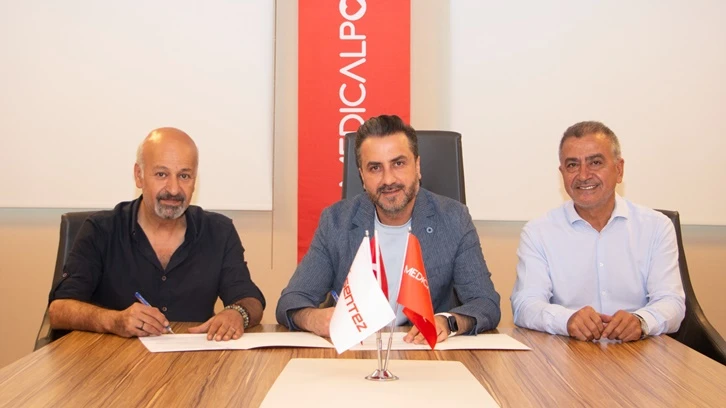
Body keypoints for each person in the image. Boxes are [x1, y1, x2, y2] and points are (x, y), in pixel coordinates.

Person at [276, 115, 500, 343]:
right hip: (356, 353)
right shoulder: (336, 222)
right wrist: (313, 319)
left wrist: (448, 322)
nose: (388, 179)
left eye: (398, 164)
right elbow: (291, 300)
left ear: (417, 166)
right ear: (362, 176)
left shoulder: (454, 219)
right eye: (375, 168)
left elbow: (486, 303)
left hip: (425, 352)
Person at [48, 127, 265, 341]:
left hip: (192, 359)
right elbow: (59, 310)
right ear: (139, 176)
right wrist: (114, 321)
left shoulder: (219, 231)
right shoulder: (101, 229)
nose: (173, 189)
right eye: (161, 174)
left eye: (184, 176)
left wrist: (237, 313)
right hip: (112, 359)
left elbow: (250, 299)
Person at [511, 121, 685, 342]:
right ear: (562, 173)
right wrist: (567, 320)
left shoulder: (656, 227)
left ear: (619, 169)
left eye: (595, 162)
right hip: (568, 352)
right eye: (572, 165)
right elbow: (525, 304)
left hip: (638, 351)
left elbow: (672, 302)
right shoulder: (538, 232)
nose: (583, 175)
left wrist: (641, 321)